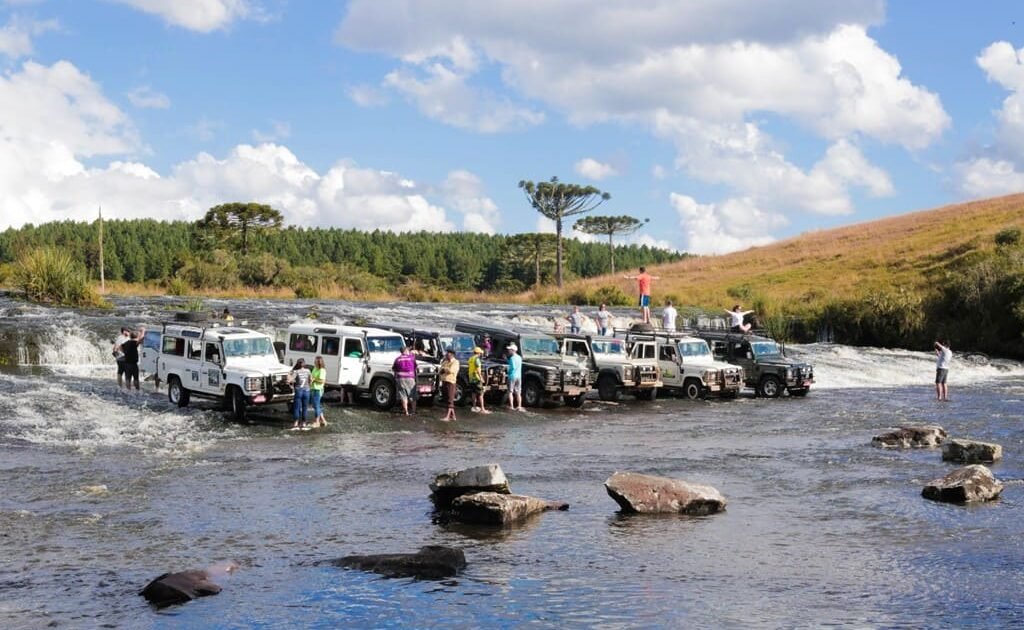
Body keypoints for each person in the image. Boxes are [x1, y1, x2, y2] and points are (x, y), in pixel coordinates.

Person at [392, 345, 418, 416]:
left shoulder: (397, 359)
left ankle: (406, 412)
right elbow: (415, 367)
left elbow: (394, 368)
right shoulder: (412, 358)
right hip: (410, 378)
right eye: (408, 350)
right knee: (412, 395)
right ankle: (413, 411)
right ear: (406, 350)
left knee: (403, 395)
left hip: (400, 379)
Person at [119, 327, 145, 392]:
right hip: (133, 364)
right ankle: (137, 390)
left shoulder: (127, 343)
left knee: (128, 378)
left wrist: (124, 352)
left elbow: (120, 346)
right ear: (136, 337)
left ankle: (128, 390)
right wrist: (143, 331)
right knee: (136, 378)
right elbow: (141, 339)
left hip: (127, 364)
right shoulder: (134, 343)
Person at [468, 346, 490, 414]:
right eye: (480, 353)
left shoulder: (471, 358)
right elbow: (478, 370)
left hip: (471, 378)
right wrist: (481, 378)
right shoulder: (477, 359)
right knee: (481, 393)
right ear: (478, 353)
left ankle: (474, 407)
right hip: (476, 378)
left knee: (473, 393)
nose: (481, 354)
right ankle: (482, 409)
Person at [439, 348, 459, 421]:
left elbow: (451, 370)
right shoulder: (445, 361)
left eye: (448, 353)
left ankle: (448, 417)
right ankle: (453, 416)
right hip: (444, 381)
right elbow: (440, 370)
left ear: (452, 354)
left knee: (450, 400)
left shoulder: (455, 362)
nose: (447, 354)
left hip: (451, 382)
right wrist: (444, 369)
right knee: (446, 399)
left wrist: (444, 369)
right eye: (447, 353)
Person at [290, 358, 311, 429]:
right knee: (305, 407)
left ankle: (296, 423)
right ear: (304, 364)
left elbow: (290, 380)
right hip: (307, 391)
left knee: (296, 407)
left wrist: (289, 374)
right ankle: (304, 423)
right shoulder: (308, 371)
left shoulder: (296, 371)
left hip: (299, 391)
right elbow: (310, 380)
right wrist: (309, 386)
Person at [310, 355, 328, 428]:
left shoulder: (322, 370)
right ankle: (323, 420)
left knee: (316, 406)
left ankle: (317, 422)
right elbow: (312, 377)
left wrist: (314, 380)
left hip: (318, 389)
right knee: (315, 405)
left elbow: (322, 381)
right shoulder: (315, 368)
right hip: (313, 388)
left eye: (315, 360)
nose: (314, 361)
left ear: (319, 362)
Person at [507, 342, 523, 411]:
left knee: (510, 392)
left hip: (512, 376)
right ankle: (519, 406)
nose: (508, 350)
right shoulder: (519, 357)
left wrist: (508, 372)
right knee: (518, 392)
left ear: (513, 350)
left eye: (510, 349)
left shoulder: (512, 358)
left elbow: (512, 367)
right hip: (519, 376)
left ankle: (511, 406)